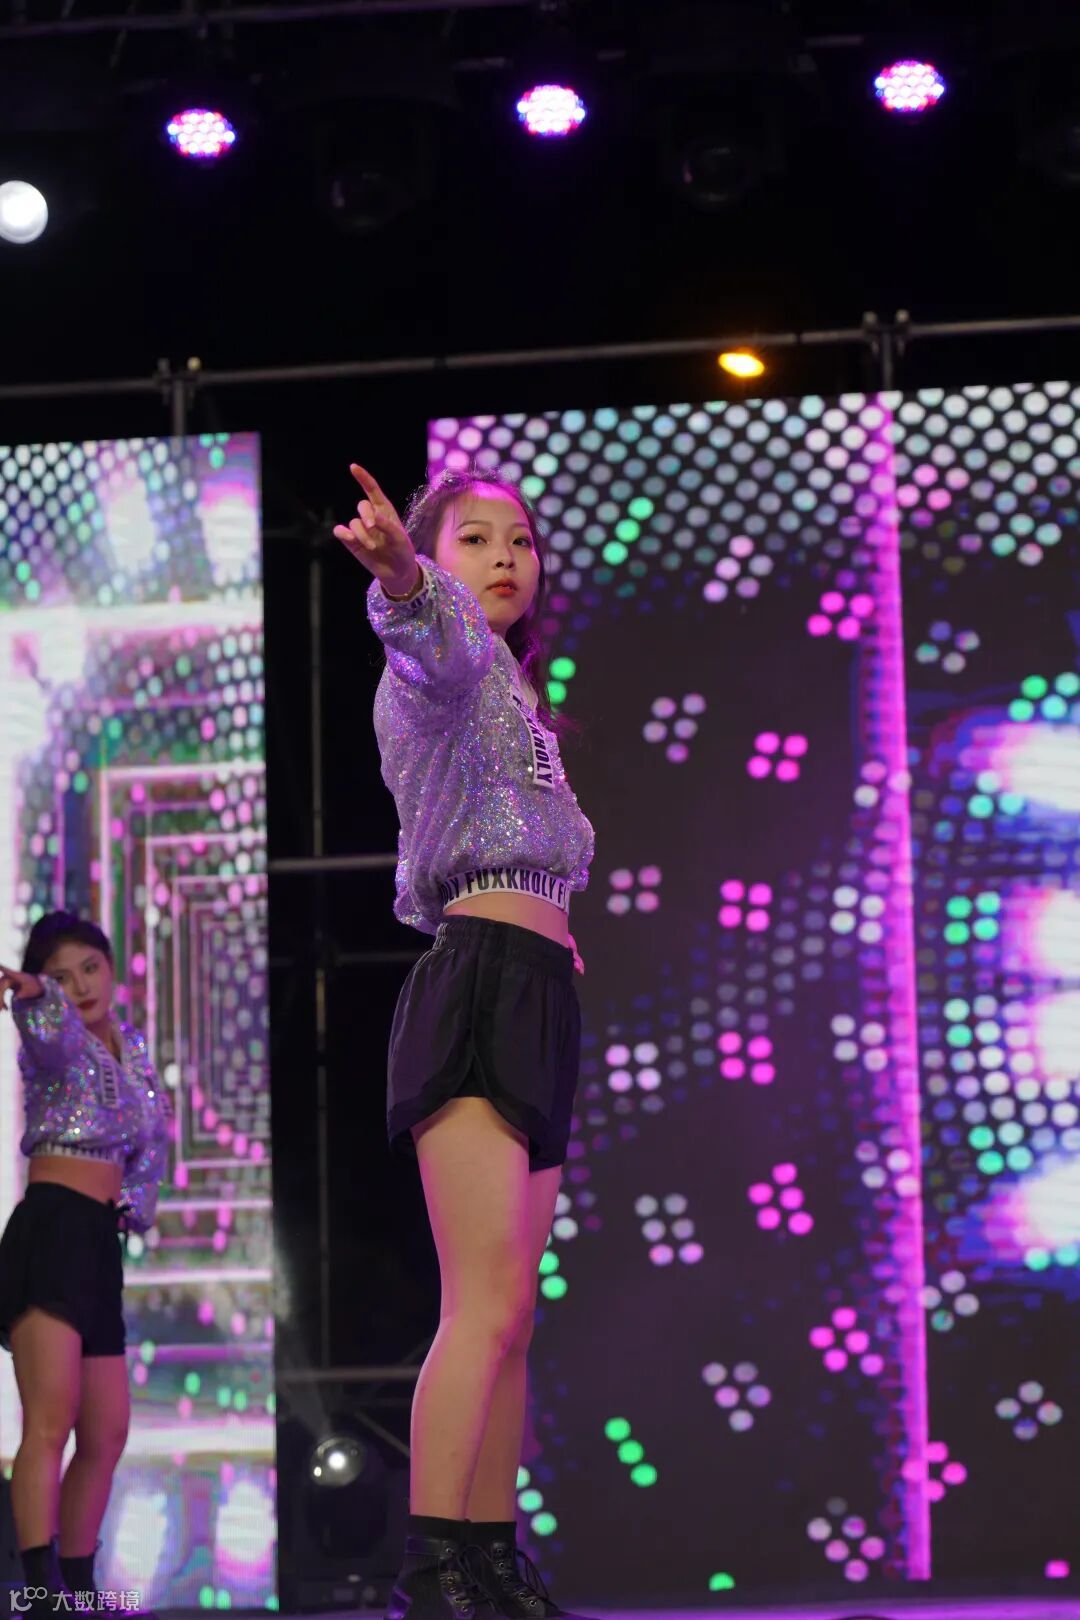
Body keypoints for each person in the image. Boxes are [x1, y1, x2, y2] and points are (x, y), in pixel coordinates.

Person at [333, 463, 595, 1620]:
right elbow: (425, 636)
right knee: (481, 1305)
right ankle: (432, 1570)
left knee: (515, 1319)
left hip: (535, 985)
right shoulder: (445, 668)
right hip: (479, 983)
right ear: (437, 559)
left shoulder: (520, 701)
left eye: (520, 540)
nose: (505, 557)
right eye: (475, 538)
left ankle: (490, 1563)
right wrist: (401, 575)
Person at [0, 912, 171, 1617]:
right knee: (51, 1419)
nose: (80, 987)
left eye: (89, 969)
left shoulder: (133, 1050)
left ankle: (77, 1587)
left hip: (100, 1240)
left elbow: (152, 1138)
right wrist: (34, 994)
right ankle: (40, 1593)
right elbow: (48, 1026)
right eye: (62, 977)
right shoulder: (55, 1038)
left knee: (107, 1431)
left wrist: (135, 1204)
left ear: (111, 966)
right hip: (52, 1229)